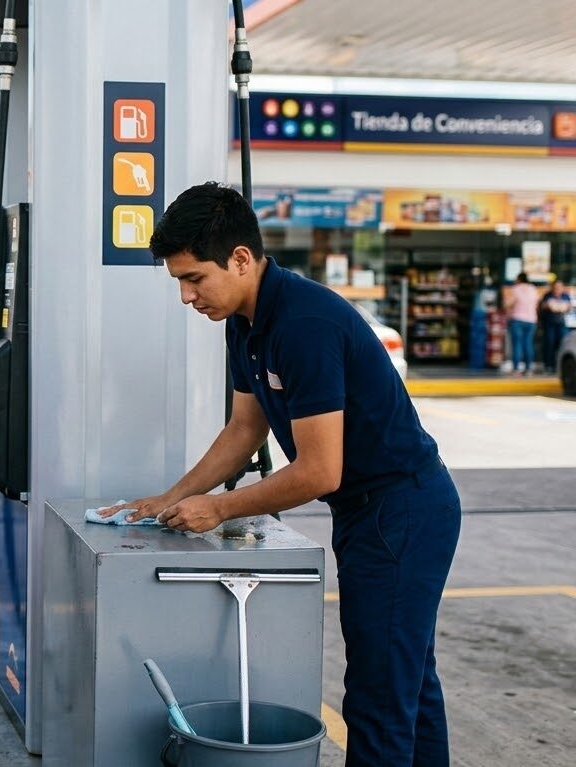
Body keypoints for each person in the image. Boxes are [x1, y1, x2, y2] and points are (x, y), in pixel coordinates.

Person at [101, 182, 460, 767]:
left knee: (378, 696)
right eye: (179, 282)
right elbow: (245, 429)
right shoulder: (244, 322)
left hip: (403, 510)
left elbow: (319, 471)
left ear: (241, 259)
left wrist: (218, 508)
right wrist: (173, 496)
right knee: (408, 682)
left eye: (195, 278)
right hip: (371, 510)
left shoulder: (304, 324)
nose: (187, 296)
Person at [505, 272, 539, 375]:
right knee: (528, 344)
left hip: (517, 319)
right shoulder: (533, 289)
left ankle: (516, 369)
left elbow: (508, 304)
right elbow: (536, 304)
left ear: (519, 279)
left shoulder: (515, 289)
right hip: (531, 320)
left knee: (517, 344)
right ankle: (528, 369)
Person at [539, 279, 570, 373]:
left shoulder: (565, 296)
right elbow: (543, 307)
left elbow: (568, 307)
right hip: (549, 324)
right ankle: (549, 365)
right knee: (549, 344)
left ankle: (559, 365)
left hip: (561, 324)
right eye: (556, 287)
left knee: (562, 344)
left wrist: (557, 307)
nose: (557, 289)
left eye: (559, 287)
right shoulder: (547, 295)